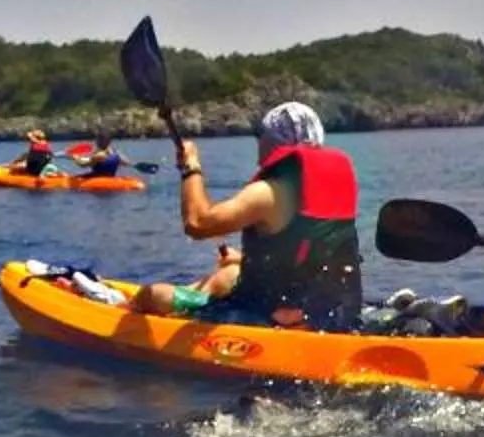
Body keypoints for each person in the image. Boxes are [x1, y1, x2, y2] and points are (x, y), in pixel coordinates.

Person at [130, 101, 362, 328]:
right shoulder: (330, 185)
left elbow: (197, 223)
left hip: (268, 318)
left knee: (153, 295)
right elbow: (308, 258)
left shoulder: (268, 192)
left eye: (260, 135)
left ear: (273, 140)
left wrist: (191, 166)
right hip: (330, 313)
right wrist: (246, 259)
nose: (258, 142)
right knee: (229, 273)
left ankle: (124, 310)